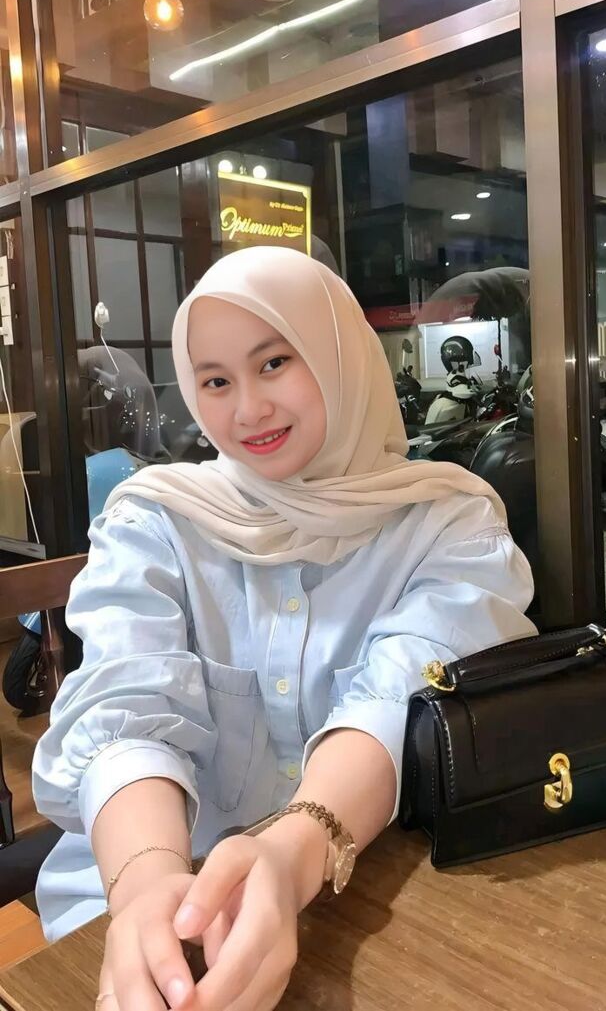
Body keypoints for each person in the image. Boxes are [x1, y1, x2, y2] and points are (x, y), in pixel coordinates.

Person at [32, 246, 535, 1011]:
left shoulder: (445, 523)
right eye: (216, 381)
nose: (248, 409)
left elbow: (403, 692)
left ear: (340, 354)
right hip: (139, 900)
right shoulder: (158, 520)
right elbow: (126, 701)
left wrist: (293, 848)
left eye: (274, 363)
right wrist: (148, 886)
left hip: (371, 893)